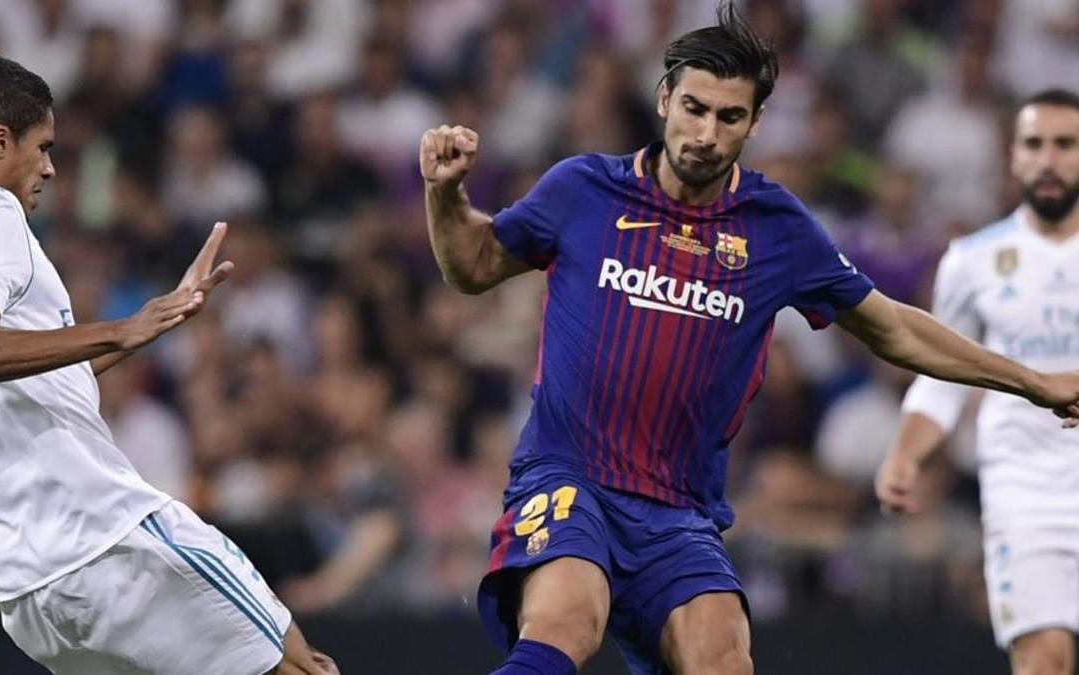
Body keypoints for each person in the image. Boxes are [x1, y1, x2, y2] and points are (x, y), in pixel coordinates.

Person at [420, 5, 1079, 675]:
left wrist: (1033, 380)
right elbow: (471, 266)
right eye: (694, 108)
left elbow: (893, 326)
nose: (705, 133)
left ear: (755, 122)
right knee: (567, 620)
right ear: (664, 98)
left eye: (729, 117)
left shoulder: (775, 226)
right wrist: (445, 197)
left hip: (678, 513)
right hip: (569, 478)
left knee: (725, 660)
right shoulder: (583, 189)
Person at [0, 57, 337, 675]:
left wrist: (153, 323)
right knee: (297, 665)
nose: (47, 167)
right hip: (100, 536)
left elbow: (14, 379)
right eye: (42, 146)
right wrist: (123, 326)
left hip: (21, 582)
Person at [876, 88, 1079, 675]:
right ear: (1011, 157)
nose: (1048, 159)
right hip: (1025, 492)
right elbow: (940, 380)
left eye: (1065, 145)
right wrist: (904, 454)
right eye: (1034, 144)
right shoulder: (974, 260)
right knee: (1045, 660)